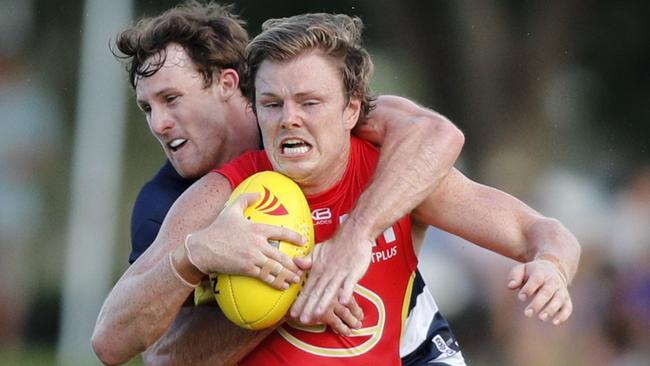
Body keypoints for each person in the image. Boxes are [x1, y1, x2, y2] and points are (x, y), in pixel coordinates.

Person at [95, 10, 580, 365]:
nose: (159, 123)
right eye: (274, 104)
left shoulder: (383, 158)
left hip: (417, 349)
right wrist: (204, 257)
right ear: (258, 103)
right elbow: (133, 350)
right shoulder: (193, 201)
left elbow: (450, 144)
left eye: (309, 102)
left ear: (352, 111)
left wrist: (552, 267)